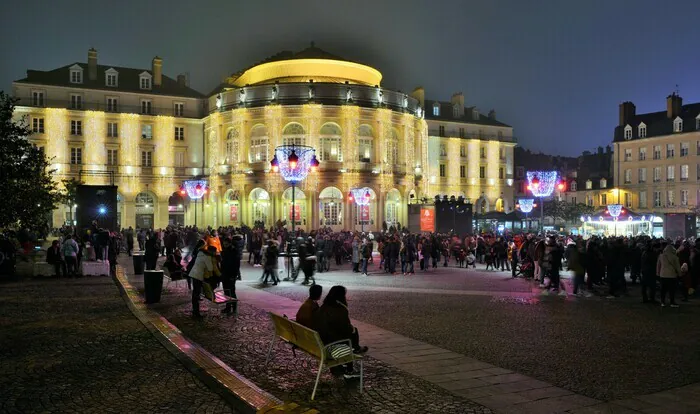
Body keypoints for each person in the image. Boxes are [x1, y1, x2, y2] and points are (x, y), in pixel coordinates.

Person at [316, 285, 368, 379]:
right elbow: (346, 329)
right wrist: (352, 330)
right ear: (341, 296)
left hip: (322, 340)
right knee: (352, 334)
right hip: (329, 344)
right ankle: (349, 370)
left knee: (351, 333)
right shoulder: (339, 309)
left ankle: (354, 351)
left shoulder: (324, 306)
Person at [188, 246, 220, 318]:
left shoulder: (200, 254)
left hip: (194, 274)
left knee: (195, 294)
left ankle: (195, 310)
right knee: (196, 294)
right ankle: (196, 313)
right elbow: (210, 268)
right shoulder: (207, 257)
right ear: (212, 252)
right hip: (198, 276)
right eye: (214, 251)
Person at [657, 243, 681, 308]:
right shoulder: (675, 257)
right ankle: (672, 302)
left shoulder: (661, 256)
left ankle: (662, 302)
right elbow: (677, 267)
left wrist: (658, 274)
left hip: (663, 275)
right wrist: (680, 274)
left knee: (663, 290)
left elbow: (658, 266)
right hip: (672, 275)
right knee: (672, 290)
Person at [220, 237, 238, 314]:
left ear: (230, 243)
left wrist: (234, 275)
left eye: (226, 243)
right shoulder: (224, 251)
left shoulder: (234, 251)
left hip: (231, 274)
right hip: (225, 274)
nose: (225, 245)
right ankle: (228, 307)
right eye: (224, 243)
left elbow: (236, 265)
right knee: (226, 291)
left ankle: (234, 308)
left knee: (232, 291)